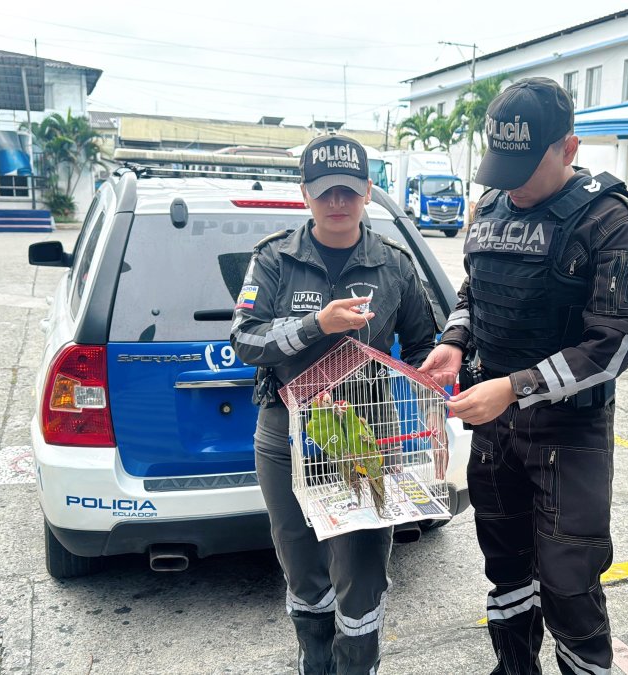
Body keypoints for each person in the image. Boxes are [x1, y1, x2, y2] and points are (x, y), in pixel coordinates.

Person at [419, 77, 628, 675]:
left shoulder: (608, 219)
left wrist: (515, 389)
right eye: (500, 166)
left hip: (568, 434)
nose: (510, 183)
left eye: (524, 167)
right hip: (495, 426)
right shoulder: (492, 204)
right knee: (504, 568)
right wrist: (455, 340)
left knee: (569, 584)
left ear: (569, 149)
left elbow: (614, 343)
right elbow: (474, 288)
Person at [230, 134, 438, 674]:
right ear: (305, 195)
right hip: (287, 433)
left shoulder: (392, 265)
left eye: (349, 191)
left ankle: (357, 666)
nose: (338, 203)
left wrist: (432, 386)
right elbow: (245, 339)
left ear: (368, 192)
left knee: (363, 567)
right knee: (300, 563)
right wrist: (316, 324)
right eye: (326, 193)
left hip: (363, 435)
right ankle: (314, 660)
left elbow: (422, 344)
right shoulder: (275, 258)